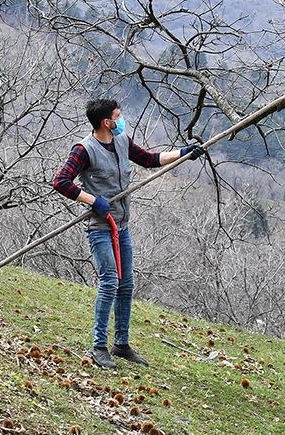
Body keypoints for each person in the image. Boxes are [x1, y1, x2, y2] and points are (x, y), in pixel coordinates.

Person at [52, 99, 205, 368]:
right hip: (100, 226)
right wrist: (91, 200)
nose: (121, 120)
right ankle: (99, 347)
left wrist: (183, 153)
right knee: (109, 281)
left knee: (126, 285)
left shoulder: (121, 141)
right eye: (117, 116)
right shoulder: (84, 150)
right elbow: (61, 181)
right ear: (105, 122)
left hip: (121, 226)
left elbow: (149, 159)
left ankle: (121, 344)